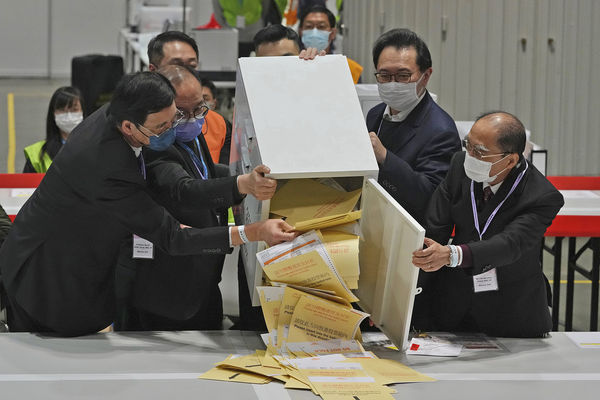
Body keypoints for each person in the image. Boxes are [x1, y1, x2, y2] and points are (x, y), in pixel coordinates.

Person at [0, 71, 295, 336]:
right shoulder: (107, 167)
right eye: (162, 126)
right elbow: (173, 236)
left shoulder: (124, 109)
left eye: (174, 118)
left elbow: (177, 186)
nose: (172, 130)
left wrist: (240, 185)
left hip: (74, 251)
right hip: (46, 276)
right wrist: (253, 232)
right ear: (129, 126)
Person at [120, 65, 271, 331]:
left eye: (199, 109)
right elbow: (185, 190)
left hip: (203, 278)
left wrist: (245, 173)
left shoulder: (192, 134)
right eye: (181, 113)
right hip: (168, 289)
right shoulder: (155, 145)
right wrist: (241, 184)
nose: (192, 118)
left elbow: (206, 173)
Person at [411, 112, 564, 338]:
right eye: (468, 145)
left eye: (480, 151)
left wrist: (453, 255)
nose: (470, 155)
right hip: (453, 304)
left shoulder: (542, 196)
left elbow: (510, 244)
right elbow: (434, 228)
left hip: (510, 312)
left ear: (510, 160)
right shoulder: (460, 166)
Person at [366, 28, 461, 226]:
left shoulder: (441, 130)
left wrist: (385, 156)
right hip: (373, 221)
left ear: (425, 76)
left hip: (413, 234)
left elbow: (431, 197)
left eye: (403, 76)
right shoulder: (375, 114)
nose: (392, 84)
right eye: (384, 75)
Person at [148, 31, 232, 164]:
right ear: (153, 71)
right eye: (176, 66)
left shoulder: (217, 123)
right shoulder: (144, 128)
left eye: (191, 66)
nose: (184, 74)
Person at [23, 86, 83, 173]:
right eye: (62, 110)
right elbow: (28, 185)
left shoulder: (96, 148)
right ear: (53, 114)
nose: (69, 115)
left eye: (74, 110)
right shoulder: (36, 154)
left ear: (83, 111)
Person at [298, 5, 363, 83]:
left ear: (332, 33)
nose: (314, 32)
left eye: (321, 27)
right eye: (309, 26)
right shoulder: (292, 66)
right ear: (300, 32)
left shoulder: (350, 69)